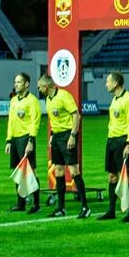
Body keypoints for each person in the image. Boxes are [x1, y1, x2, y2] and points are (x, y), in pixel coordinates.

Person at [39, 76, 89, 217]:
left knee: (74, 170)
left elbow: (76, 116)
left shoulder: (64, 96)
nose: (39, 89)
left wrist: (73, 135)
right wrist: (51, 136)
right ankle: (61, 208)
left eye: (40, 86)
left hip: (68, 135)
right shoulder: (48, 99)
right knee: (59, 170)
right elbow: (54, 120)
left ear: (46, 86)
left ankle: (85, 207)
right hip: (57, 136)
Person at [99, 72, 129, 222]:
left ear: (115, 83)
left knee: (127, 176)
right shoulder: (114, 99)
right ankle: (111, 211)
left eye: (108, 81)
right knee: (111, 176)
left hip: (123, 142)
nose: (106, 84)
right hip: (111, 140)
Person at [5, 72, 43, 213]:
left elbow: (35, 122)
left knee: (31, 172)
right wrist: (8, 140)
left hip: (26, 138)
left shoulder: (32, 100)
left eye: (19, 82)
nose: (16, 85)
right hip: (15, 140)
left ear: (26, 84)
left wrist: (31, 141)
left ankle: (36, 205)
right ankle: (20, 204)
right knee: (18, 172)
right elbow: (10, 122)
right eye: (15, 82)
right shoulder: (14, 100)